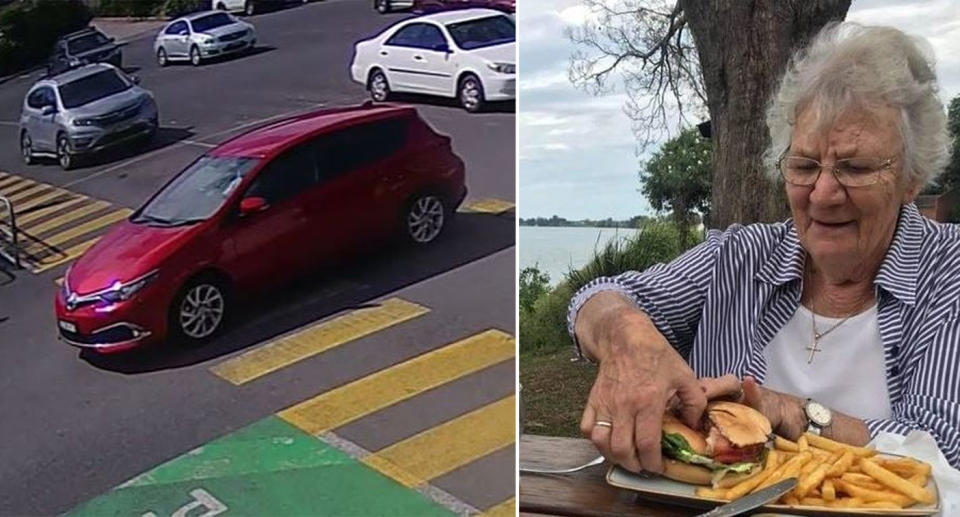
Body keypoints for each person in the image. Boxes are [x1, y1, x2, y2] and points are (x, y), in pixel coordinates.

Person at [566, 21, 960, 472]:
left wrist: (793, 414)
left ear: (912, 178)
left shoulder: (949, 272)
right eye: (804, 164)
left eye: (855, 167)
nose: (823, 193)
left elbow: (945, 448)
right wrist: (626, 337)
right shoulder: (738, 256)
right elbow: (596, 297)